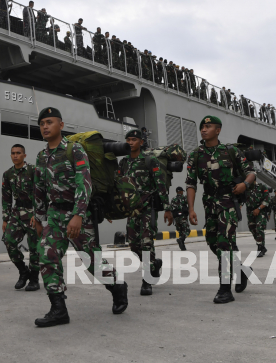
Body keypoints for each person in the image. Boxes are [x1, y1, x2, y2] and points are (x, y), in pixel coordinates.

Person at [32, 107, 127, 327]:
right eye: (42, 123)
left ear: (61, 125)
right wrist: (38, 217)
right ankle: (58, 309)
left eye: (49, 122)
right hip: (55, 214)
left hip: (77, 214)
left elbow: (84, 184)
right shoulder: (41, 156)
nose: (45, 127)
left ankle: (116, 286)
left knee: (91, 261)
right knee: (47, 255)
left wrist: (78, 215)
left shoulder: (74, 150)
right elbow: (39, 188)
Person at [185, 115, 256, 304]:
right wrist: (191, 209)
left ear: (218, 130)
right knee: (212, 241)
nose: (203, 129)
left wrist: (244, 186)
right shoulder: (195, 155)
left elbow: (251, 172)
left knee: (225, 243)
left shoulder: (230, 151)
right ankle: (241, 271)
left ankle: (225, 289)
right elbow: (191, 184)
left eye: (208, 126)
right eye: (202, 126)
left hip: (228, 202)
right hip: (209, 203)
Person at [116, 129, 172, 296]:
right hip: (132, 210)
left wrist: (167, 208)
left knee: (146, 243)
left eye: (134, 139)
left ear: (141, 142)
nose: (130, 142)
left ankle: (147, 280)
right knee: (134, 246)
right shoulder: (124, 162)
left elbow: (160, 184)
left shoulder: (150, 160)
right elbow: (118, 186)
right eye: (128, 139)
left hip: (148, 207)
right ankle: (155, 264)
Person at [1, 144, 41, 291]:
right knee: (8, 241)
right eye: (13, 153)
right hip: (17, 213)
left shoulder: (33, 170)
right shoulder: (8, 174)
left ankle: (34, 279)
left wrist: (38, 215)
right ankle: (23, 272)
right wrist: (5, 219)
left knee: (35, 248)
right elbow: (6, 197)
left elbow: (41, 192)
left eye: (18, 153)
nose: (15, 155)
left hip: (32, 212)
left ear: (24, 155)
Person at [245, 182, 270, 257]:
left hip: (260, 211)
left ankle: (260, 248)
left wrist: (259, 209)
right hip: (250, 212)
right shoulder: (245, 187)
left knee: (259, 228)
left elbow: (267, 200)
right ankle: (262, 246)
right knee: (252, 228)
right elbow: (242, 199)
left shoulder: (262, 187)